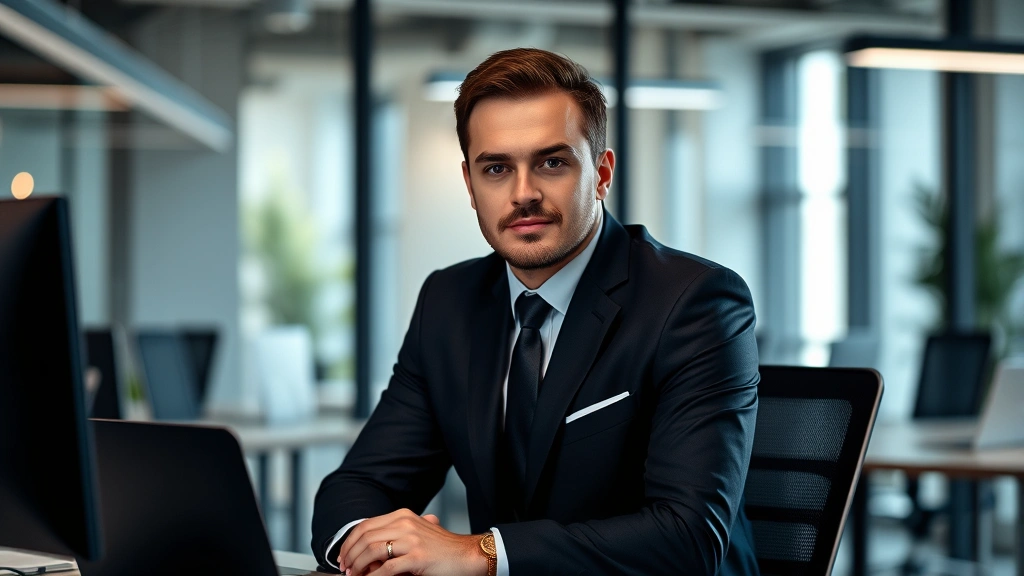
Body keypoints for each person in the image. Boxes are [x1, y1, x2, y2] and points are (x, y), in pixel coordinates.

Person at [312, 47, 760, 576]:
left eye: (552, 162)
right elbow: (359, 486)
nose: (523, 194)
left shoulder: (694, 302)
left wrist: (477, 553)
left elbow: (687, 536)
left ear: (601, 173)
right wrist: (381, 547)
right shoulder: (449, 303)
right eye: (497, 168)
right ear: (470, 186)